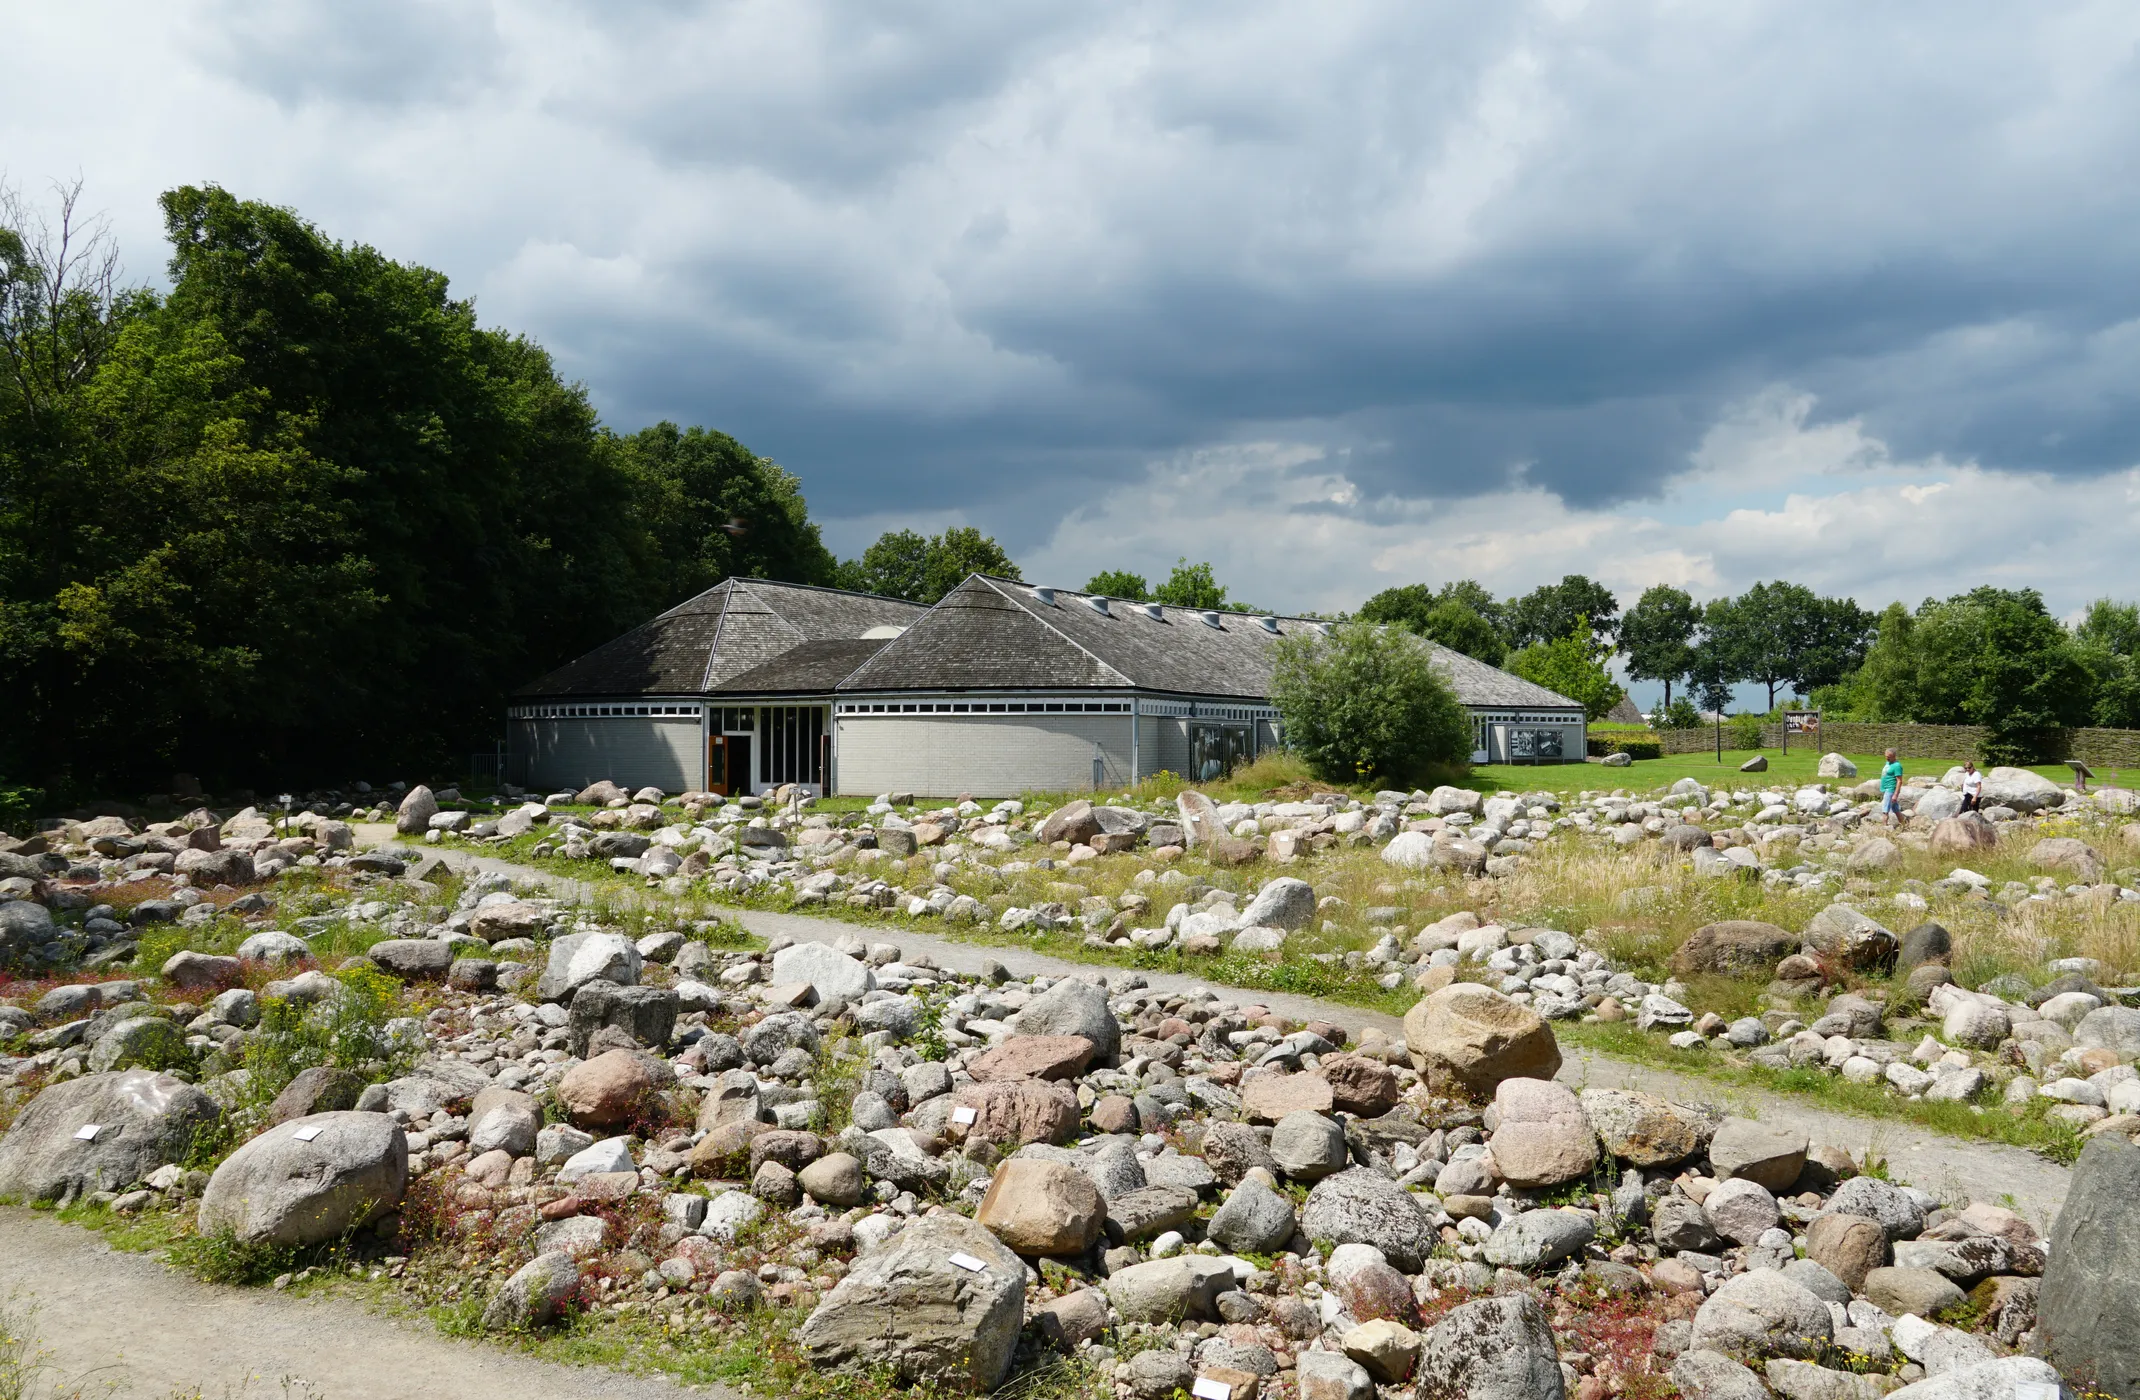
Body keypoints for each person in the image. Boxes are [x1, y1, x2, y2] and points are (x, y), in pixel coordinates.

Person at [1880, 748, 1904, 826]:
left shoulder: (1897, 766)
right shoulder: (1888, 763)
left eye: (1889, 757)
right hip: (1886, 788)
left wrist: (1895, 794)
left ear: (1894, 756)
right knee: (1896, 809)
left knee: (1885, 811)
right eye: (1886, 756)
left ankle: (1884, 828)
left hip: (1890, 790)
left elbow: (1899, 781)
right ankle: (1904, 825)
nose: (1887, 758)